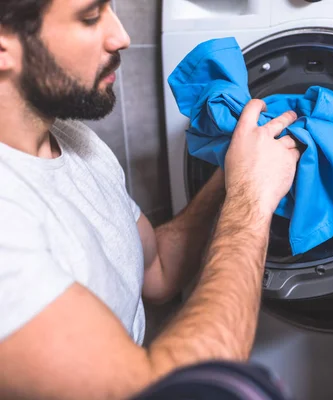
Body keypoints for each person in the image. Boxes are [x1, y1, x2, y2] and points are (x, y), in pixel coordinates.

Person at [0, 0, 300, 399]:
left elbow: (155, 270)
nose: (121, 37)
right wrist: (252, 200)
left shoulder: (76, 142)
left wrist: (231, 175)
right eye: (90, 17)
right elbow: (180, 391)